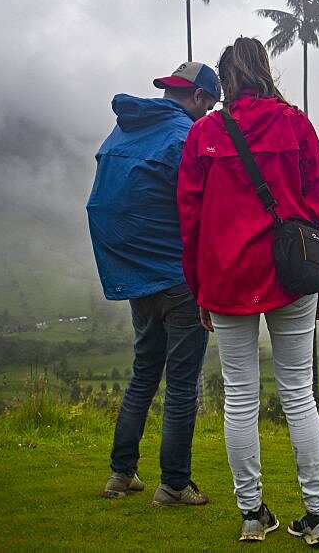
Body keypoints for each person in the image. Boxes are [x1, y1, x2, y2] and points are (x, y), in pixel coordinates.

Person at [178, 37, 319, 547]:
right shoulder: (295, 124)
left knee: (240, 398)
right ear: (265, 71)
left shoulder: (204, 133)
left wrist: (199, 287)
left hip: (226, 278)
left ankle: (252, 514)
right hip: (291, 275)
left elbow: (191, 220)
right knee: (299, 396)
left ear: (225, 81)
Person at [87, 61, 220, 506]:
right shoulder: (185, 137)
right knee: (182, 383)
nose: (207, 115)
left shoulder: (121, 134)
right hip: (178, 278)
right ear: (199, 97)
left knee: (144, 373)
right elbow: (203, 208)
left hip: (136, 277)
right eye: (210, 105)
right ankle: (175, 485)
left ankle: (121, 475)